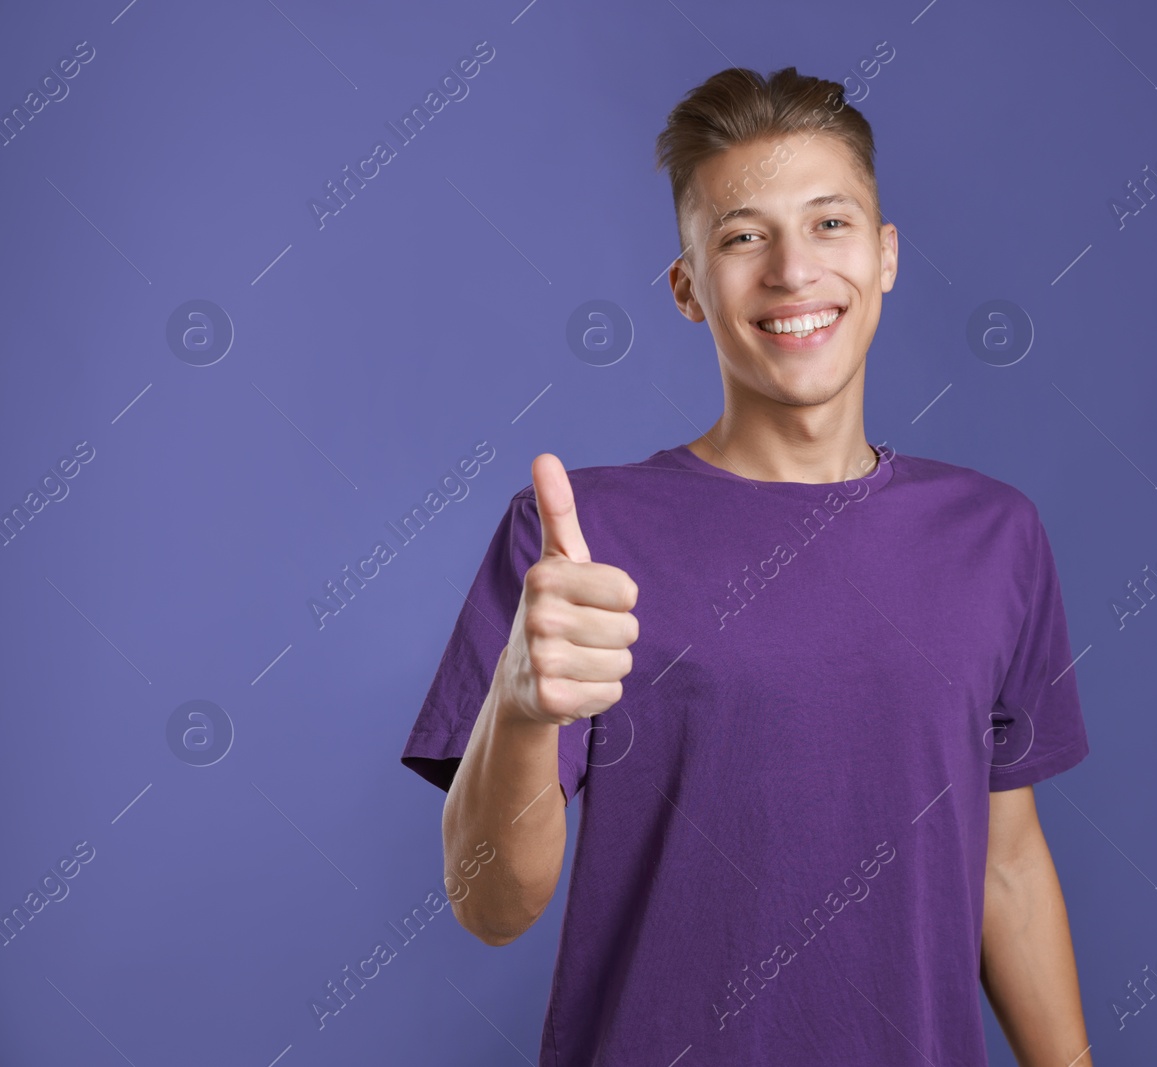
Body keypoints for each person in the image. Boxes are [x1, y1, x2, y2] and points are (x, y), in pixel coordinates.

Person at [401, 65, 1094, 1066]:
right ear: (687, 285)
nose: (791, 271)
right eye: (740, 236)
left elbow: (1007, 863)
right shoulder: (574, 542)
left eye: (828, 223)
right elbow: (489, 905)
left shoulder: (995, 535)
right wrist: (518, 703)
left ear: (886, 254)